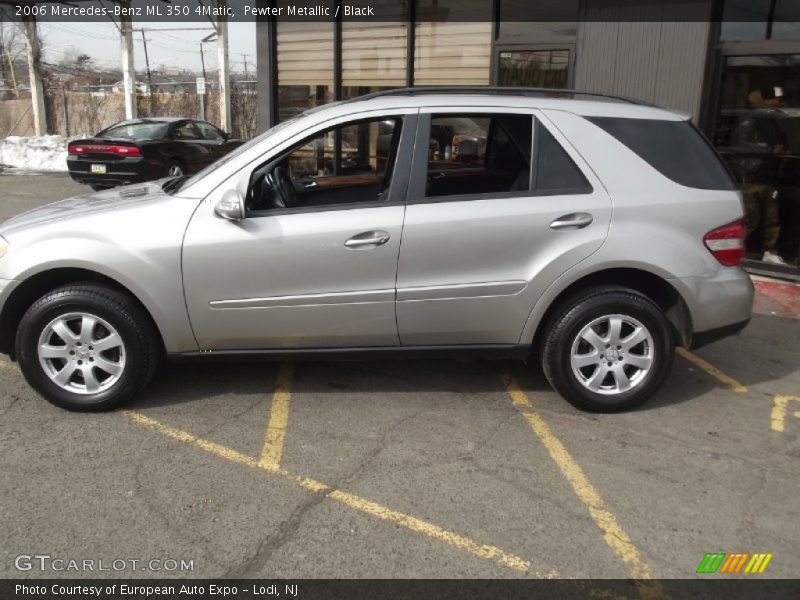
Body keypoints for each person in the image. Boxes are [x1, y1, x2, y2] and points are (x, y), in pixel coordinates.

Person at [740, 87, 787, 266]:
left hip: (769, 178)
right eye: (776, 99)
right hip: (751, 178)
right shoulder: (751, 120)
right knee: (750, 220)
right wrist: (769, 150)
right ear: (765, 100)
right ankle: (738, 251)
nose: (779, 103)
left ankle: (769, 251)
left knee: (772, 218)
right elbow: (741, 145)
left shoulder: (773, 121)